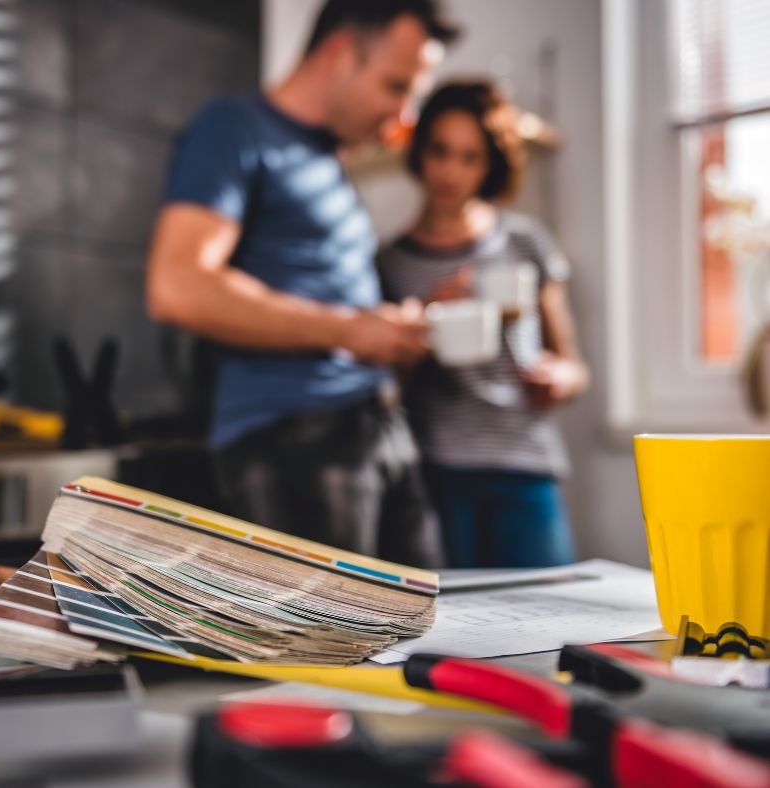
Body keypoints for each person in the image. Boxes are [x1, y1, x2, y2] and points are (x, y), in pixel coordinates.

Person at [146, 1, 459, 564]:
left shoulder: (326, 160)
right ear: (339, 53)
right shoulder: (233, 129)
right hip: (295, 439)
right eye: (395, 86)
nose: (404, 115)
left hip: (375, 425)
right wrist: (350, 330)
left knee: (424, 631)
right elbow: (179, 284)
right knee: (336, 650)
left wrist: (388, 329)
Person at [378, 82, 590, 568]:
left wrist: (559, 378)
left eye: (470, 157)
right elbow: (388, 390)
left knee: (547, 630)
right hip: (439, 473)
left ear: (490, 165)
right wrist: (427, 317)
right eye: (440, 151)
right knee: (453, 633)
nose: (450, 172)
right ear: (419, 152)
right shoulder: (392, 262)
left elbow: (575, 366)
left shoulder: (526, 242)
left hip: (526, 465)